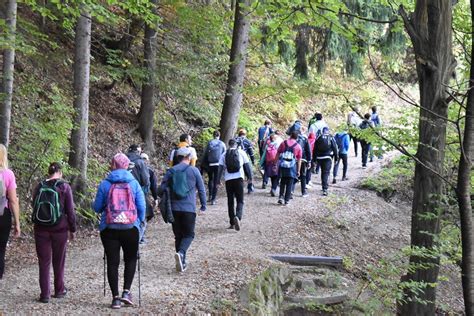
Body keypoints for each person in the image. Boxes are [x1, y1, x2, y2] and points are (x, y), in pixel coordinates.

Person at [93, 153, 146, 309]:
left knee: (112, 262)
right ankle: (126, 292)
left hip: (109, 228)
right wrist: (139, 221)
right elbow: (142, 207)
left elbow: (97, 207)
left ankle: (115, 298)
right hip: (131, 228)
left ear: (113, 165)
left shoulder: (105, 184)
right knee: (131, 259)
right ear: (126, 166)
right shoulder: (134, 183)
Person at [32, 162, 76, 303]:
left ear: (49, 172)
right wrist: (72, 229)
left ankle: (45, 294)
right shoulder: (64, 187)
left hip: (40, 229)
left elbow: (34, 205)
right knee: (59, 260)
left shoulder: (39, 186)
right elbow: (70, 211)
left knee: (44, 262)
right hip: (60, 229)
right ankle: (59, 290)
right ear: (60, 172)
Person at [159, 147, 206, 272]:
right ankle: (181, 254)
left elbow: (161, 189)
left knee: (178, 235)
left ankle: (181, 261)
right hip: (189, 208)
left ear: (178, 157)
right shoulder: (194, 171)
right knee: (189, 234)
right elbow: (201, 189)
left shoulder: (171, 171)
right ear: (188, 157)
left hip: (173, 208)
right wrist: (203, 205)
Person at [218, 139, 253, 230]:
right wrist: (250, 177)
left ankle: (232, 223)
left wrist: (218, 180)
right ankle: (238, 216)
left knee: (230, 201)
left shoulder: (224, 154)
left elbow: (220, 167)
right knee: (240, 200)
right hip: (239, 179)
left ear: (228, 145)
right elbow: (247, 166)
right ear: (236, 145)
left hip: (228, 180)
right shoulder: (241, 152)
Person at [0, 144, 21, 280]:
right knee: (1, 249)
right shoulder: (8, 174)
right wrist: (17, 223)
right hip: (3, 215)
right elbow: (13, 200)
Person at [276, 131, 302, 205]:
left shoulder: (283, 143)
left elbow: (278, 153)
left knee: (282, 181)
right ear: (297, 138)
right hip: (292, 167)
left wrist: (275, 163)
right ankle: (286, 200)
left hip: (283, 165)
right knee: (290, 183)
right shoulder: (298, 146)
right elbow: (299, 160)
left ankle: (281, 197)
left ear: (290, 135)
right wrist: (298, 170)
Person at [200, 130, 226, 205]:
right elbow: (224, 154)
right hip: (218, 165)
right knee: (216, 181)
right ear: (219, 135)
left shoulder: (209, 143)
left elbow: (205, 154)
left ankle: (210, 196)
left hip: (210, 164)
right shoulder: (222, 144)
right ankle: (213, 199)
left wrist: (202, 164)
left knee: (210, 179)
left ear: (213, 135)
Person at [139, 153, 159, 244]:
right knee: (144, 217)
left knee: (144, 217)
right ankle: (140, 238)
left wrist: (155, 198)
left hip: (140, 196)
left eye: (145, 158)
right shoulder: (149, 171)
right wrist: (155, 198)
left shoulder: (133, 170)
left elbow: (154, 186)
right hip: (142, 197)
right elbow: (153, 186)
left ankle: (140, 236)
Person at [313, 127, 338, 196]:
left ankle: (324, 186)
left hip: (319, 158)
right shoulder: (330, 137)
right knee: (326, 173)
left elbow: (314, 149)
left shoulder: (319, 137)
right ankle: (325, 189)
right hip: (328, 157)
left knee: (323, 172)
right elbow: (335, 148)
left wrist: (314, 159)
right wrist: (336, 158)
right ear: (328, 131)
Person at [294, 126, 311, 197]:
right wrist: (309, 160)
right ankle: (303, 192)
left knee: (293, 174)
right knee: (303, 175)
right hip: (302, 159)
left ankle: (291, 192)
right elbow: (308, 151)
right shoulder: (304, 139)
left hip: (293, 159)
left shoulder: (293, 139)